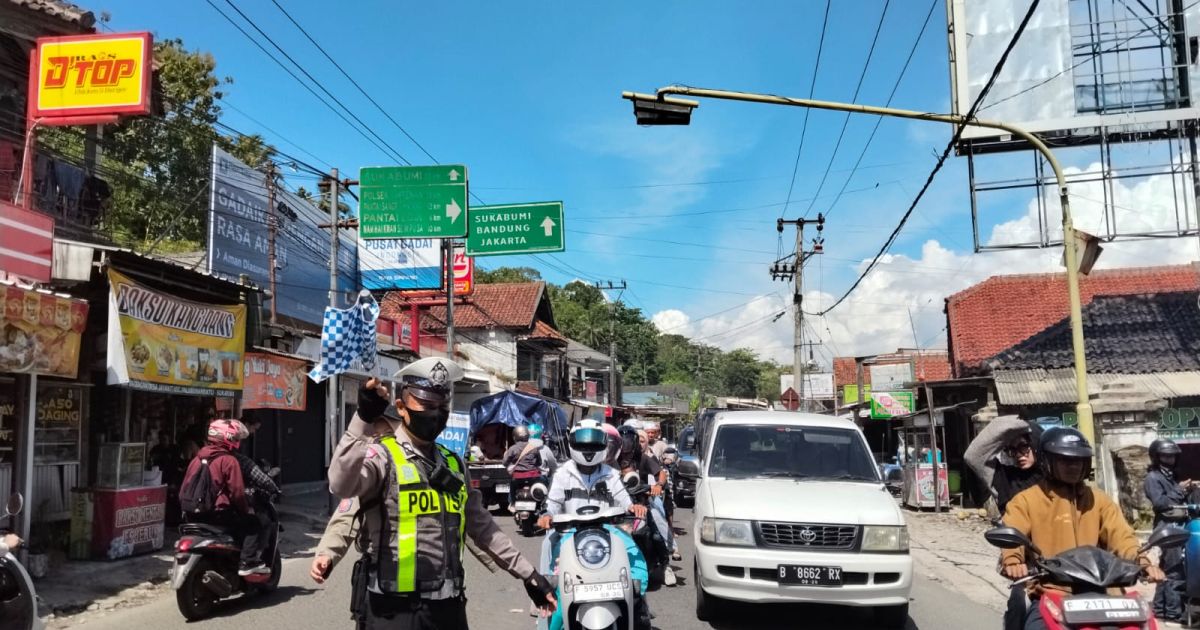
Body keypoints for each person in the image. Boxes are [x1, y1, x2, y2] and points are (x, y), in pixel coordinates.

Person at [328, 357, 555, 630]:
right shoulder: (382, 456)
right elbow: (340, 485)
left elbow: (484, 528)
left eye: (441, 407)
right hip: (392, 611)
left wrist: (528, 575)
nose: (435, 414)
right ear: (401, 407)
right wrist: (362, 420)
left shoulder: (454, 463)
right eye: (426, 406)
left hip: (448, 609)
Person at [1000, 427, 1165, 630]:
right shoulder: (1026, 501)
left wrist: (1143, 562)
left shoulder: (1100, 501)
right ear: (1047, 461)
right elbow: (1013, 535)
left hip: (1102, 594)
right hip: (1051, 592)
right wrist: (1013, 561)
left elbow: (1122, 537)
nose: (1074, 466)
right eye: (1065, 461)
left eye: (1078, 460)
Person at [535, 420, 649, 630]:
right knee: (557, 586)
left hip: (609, 531)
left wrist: (634, 508)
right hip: (570, 533)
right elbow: (552, 503)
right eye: (584, 445)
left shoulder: (610, 474)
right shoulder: (562, 474)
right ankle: (546, 618)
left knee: (636, 569)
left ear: (604, 446)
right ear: (572, 445)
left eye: (594, 445)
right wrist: (546, 515)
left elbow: (624, 499)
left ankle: (638, 613)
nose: (588, 450)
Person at [180, 419, 266, 576]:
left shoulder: (197, 459)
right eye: (236, 438)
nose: (238, 442)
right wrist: (246, 510)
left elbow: (184, 486)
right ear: (228, 438)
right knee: (253, 524)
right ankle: (247, 562)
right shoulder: (229, 460)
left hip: (191, 513)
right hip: (217, 514)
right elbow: (237, 493)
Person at [616, 425, 679, 583]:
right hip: (616, 507)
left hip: (641, 504)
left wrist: (658, 485)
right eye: (622, 440)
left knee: (656, 534)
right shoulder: (611, 459)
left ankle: (666, 566)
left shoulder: (642, 458)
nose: (626, 444)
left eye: (629, 440)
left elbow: (661, 473)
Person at [1144, 438, 1191, 623]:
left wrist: (1187, 490)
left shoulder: (1170, 475)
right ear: (1157, 457)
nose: (1170, 458)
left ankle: (1160, 610)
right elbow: (1160, 503)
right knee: (1175, 571)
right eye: (1165, 455)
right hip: (1167, 528)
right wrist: (1179, 490)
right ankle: (1173, 612)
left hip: (1176, 525)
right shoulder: (1153, 478)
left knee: (1166, 570)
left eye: (1172, 455)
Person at [502, 425, 544, 507]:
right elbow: (539, 463)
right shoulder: (534, 448)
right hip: (533, 477)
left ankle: (512, 503)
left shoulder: (512, 449)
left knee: (512, 486)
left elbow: (504, 462)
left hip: (518, 478)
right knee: (544, 482)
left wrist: (511, 464)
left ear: (515, 437)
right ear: (528, 435)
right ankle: (541, 503)